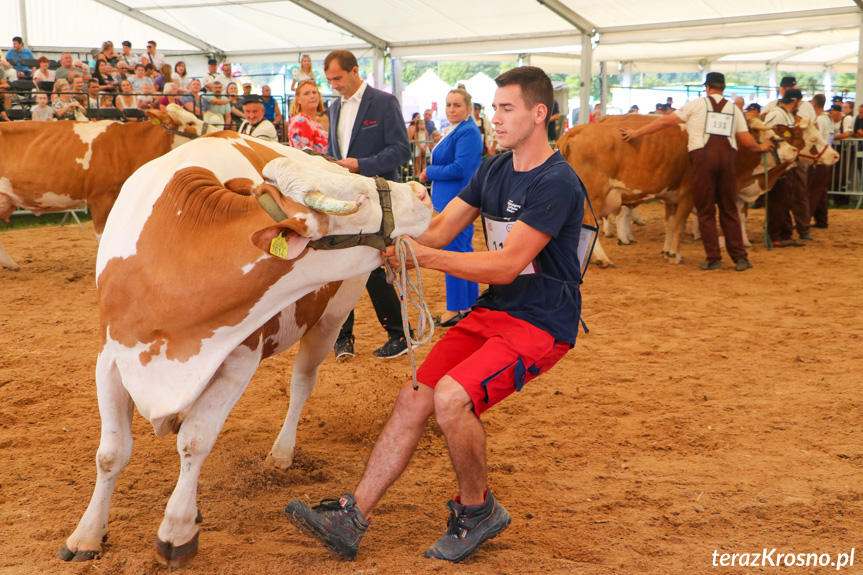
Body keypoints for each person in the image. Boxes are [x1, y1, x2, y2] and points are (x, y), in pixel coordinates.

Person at [284, 65, 586, 564]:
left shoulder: (557, 183)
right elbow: (442, 229)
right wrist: (380, 220)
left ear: (539, 114)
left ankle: (478, 510)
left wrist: (419, 257)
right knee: (413, 398)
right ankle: (352, 514)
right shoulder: (493, 169)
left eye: (506, 109)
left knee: (450, 399)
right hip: (496, 312)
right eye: (495, 108)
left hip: (541, 322)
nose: (497, 118)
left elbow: (509, 265)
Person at [621, 72, 772, 271]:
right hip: (727, 160)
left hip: (703, 159)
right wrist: (762, 147)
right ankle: (740, 258)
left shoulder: (696, 104)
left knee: (706, 210)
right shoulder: (734, 110)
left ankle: (714, 259)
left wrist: (636, 132)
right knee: (729, 209)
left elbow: (665, 122)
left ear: (707, 87)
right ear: (723, 88)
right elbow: (746, 141)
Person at [322, 49, 412, 360]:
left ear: (355, 71)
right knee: (337, 265)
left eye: (338, 78)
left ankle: (399, 334)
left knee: (375, 266)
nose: (334, 84)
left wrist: (362, 164)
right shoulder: (334, 107)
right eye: (330, 80)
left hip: (376, 197)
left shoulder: (384, 102)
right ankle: (342, 338)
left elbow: (402, 150)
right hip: (343, 197)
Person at [418, 87, 483, 327]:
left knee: (455, 252)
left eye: (457, 105)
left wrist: (429, 171)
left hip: (458, 199)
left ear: (468, 108)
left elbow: (460, 168)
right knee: (462, 250)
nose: (452, 109)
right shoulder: (461, 130)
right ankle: (467, 306)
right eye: (448, 105)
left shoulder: (467, 132)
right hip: (454, 199)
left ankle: (455, 309)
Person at [763, 88, 807, 248]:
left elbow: (785, 135)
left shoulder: (787, 115)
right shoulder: (776, 114)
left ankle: (785, 234)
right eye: (799, 103)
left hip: (786, 162)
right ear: (795, 101)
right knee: (779, 200)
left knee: (786, 199)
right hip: (778, 162)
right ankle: (775, 235)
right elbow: (768, 133)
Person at [808, 95, 834, 229]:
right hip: (827, 157)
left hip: (819, 158)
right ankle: (821, 219)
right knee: (821, 190)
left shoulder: (819, 120)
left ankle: (805, 221)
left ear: (814, 104)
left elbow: (814, 137)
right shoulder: (828, 118)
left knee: (813, 190)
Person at [288, 79, 327, 152]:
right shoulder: (301, 122)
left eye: (314, 92)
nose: (312, 96)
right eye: (306, 93)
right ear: (298, 99)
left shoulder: (314, 122)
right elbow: (305, 157)